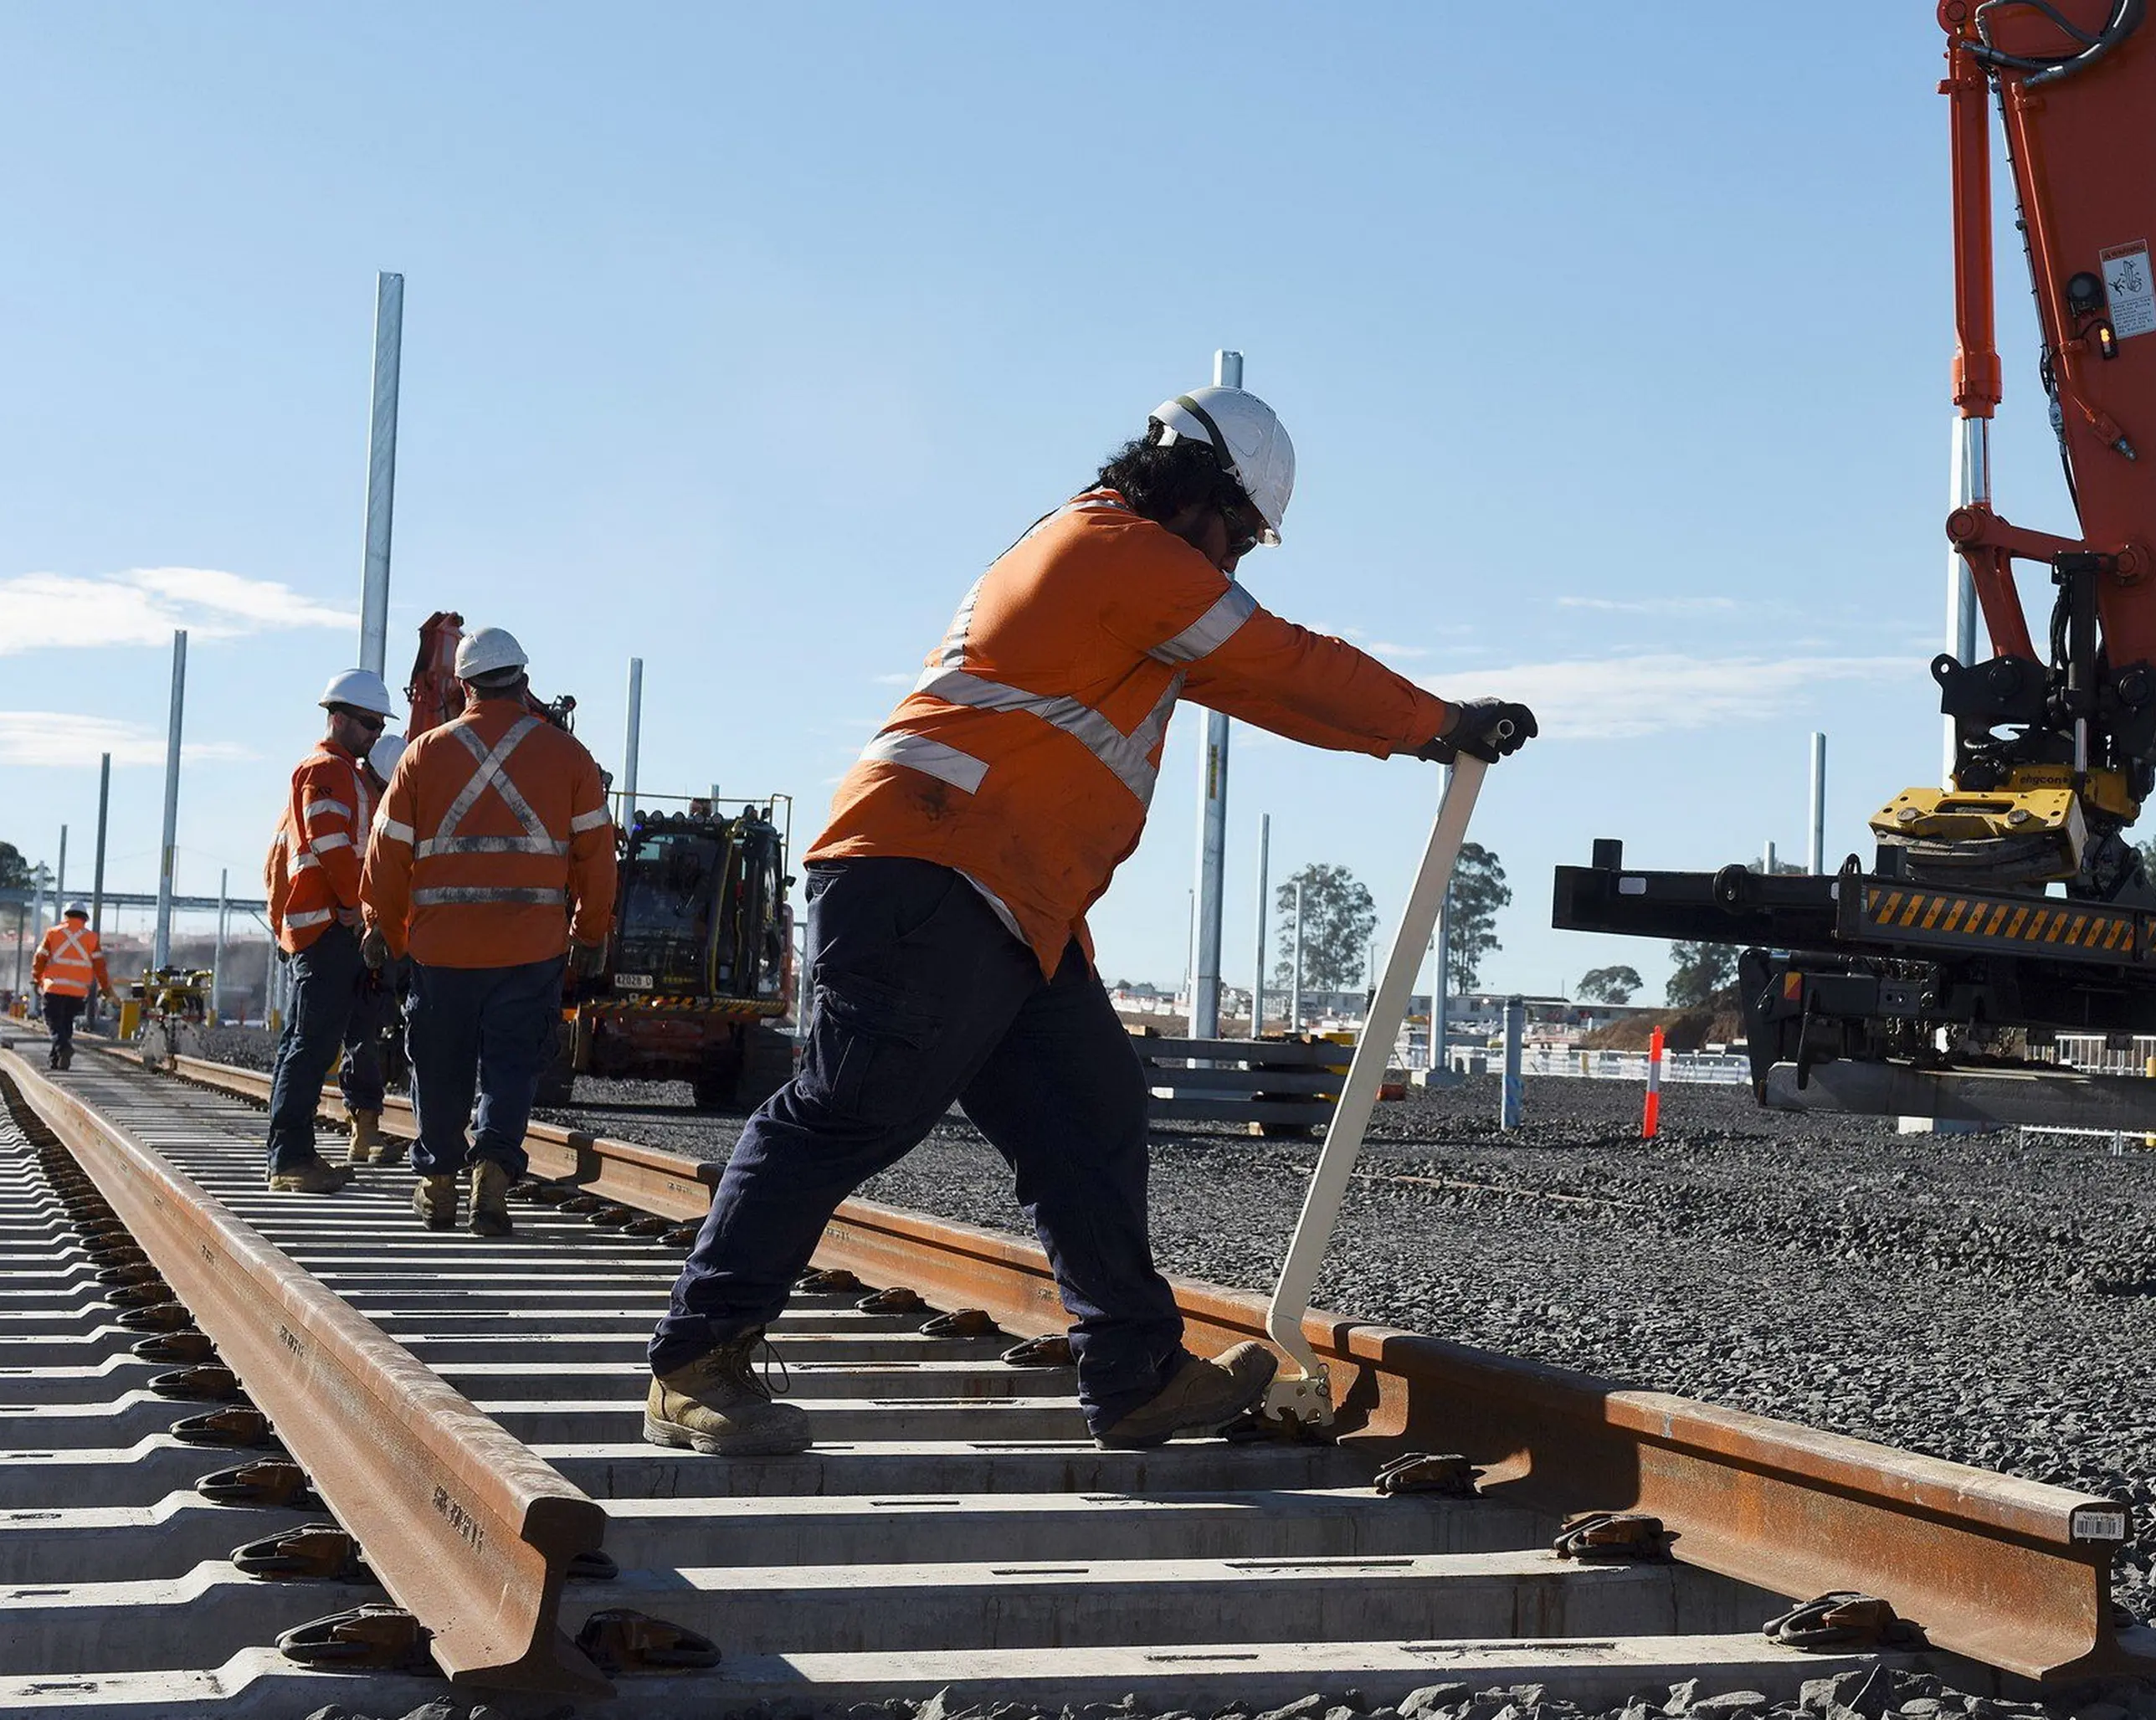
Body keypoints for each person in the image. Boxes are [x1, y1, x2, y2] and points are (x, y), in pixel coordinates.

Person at [643, 381, 1537, 1456]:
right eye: (1243, 534)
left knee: (1090, 1122)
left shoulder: (1132, 580)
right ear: (1200, 491)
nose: (1237, 561)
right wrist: (1438, 719)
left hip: (1011, 905)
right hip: (927, 868)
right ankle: (694, 1363)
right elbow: (1282, 659)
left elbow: (1267, 690)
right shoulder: (1121, 554)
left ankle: (1137, 1374)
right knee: (847, 1109)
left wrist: (1415, 738)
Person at [363, 628, 617, 1237]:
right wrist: (590, 928)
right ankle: (494, 1172)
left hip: (441, 947)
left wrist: (381, 927)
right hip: (531, 949)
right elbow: (597, 854)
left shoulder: (423, 754)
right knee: (510, 1065)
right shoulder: (569, 757)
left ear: (463, 685)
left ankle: (439, 1183)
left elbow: (387, 851)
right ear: (523, 680)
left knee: (439, 1062)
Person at [260, 670, 394, 1194]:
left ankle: (289, 1156)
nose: (373, 733)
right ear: (337, 717)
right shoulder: (327, 771)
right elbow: (332, 844)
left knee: (305, 1043)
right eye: (366, 722)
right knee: (311, 1047)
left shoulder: (346, 772)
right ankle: (291, 1160)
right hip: (327, 928)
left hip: (322, 925)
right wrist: (354, 906)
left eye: (379, 724)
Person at [337, 732, 412, 1164]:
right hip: (375, 938)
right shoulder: (371, 807)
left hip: (394, 936)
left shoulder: (374, 802)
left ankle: (368, 1130)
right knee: (364, 1032)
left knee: (367, 1032)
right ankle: (364, 1131)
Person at [28, 905, 111, 1070]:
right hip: (78, 990)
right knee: (66, 1023)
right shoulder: (91, 938)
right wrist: (105, 987)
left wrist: (36, 979)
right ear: (84, 918)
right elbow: (100, 966)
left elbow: (40, 958)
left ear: (66, 916)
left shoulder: (53, 933)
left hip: (54, 987)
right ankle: (57, 1060)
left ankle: (63, 1048)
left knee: (53, 1020)